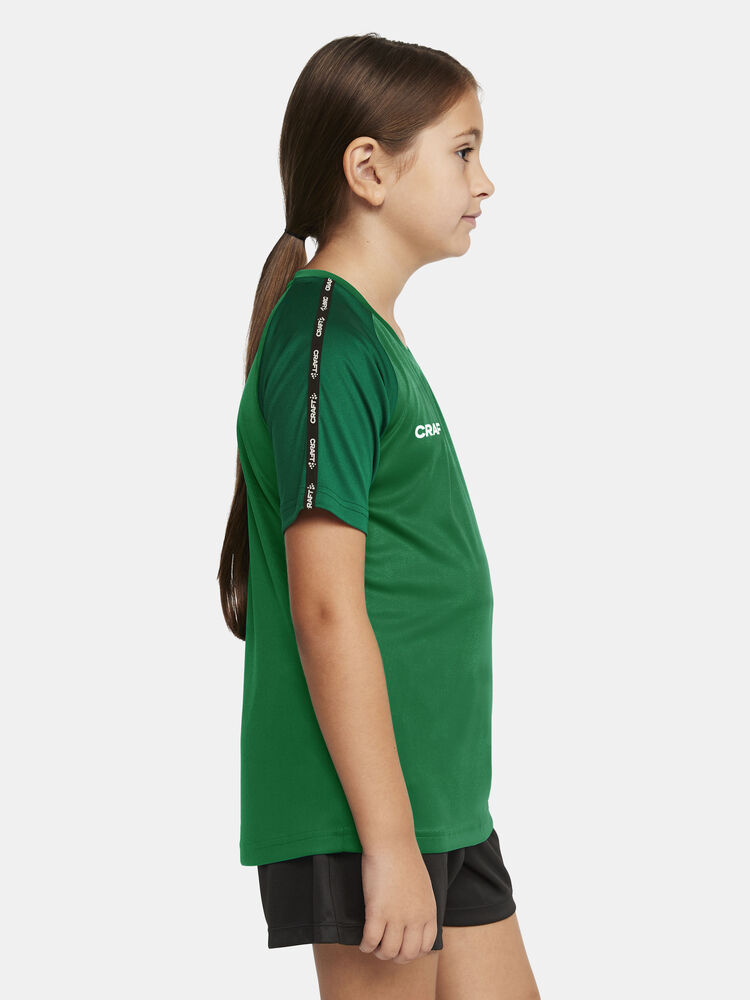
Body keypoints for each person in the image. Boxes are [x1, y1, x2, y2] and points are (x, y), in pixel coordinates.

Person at [219, 32, 541, 1000]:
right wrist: (388, 841)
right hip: (370, 810)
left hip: (440, 793)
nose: (485, 182)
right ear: (369, 169)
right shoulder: (327, 340)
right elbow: (325, 607)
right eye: (463, 151)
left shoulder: (367, 335)